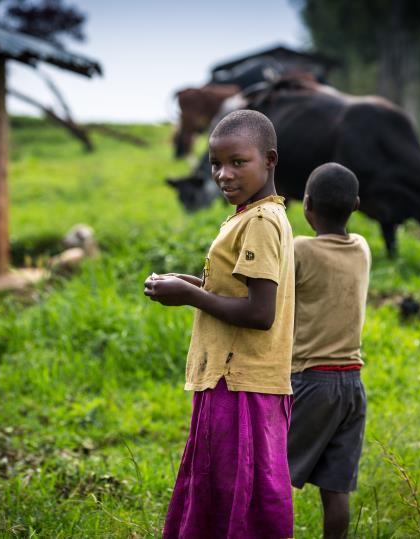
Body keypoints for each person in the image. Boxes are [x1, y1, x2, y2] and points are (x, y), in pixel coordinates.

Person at [144, 109, 295, 538]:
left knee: (239, 494)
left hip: (241, 380)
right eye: (215, 163)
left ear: (270, 159)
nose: (223, 174)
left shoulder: (262, 222)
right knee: (222, 488)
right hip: (233, 376)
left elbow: (259, 313)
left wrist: (191, 296)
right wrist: (188, 283)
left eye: (237, 162)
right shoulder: (249, 214)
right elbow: (238, 292)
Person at [287, 162, 371, 539]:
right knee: (336, 490)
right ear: (356, 205)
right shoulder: (362, 249)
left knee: (273, 475)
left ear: (306, 205)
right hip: (352, 384)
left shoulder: (300, 250)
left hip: (309, 381)